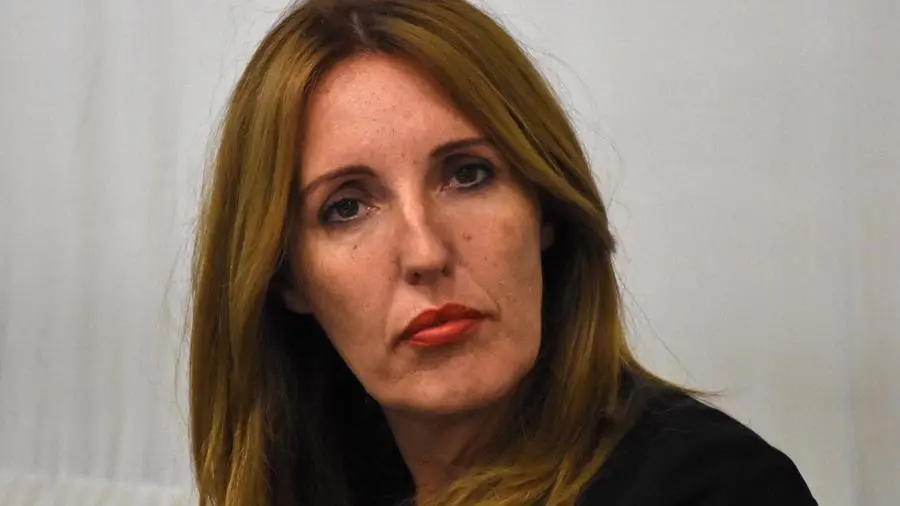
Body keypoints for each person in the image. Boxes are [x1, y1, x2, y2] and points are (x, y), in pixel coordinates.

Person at [188, 0, 818, 505]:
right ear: (285, 277)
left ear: (546, 208)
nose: (425, 252)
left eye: (468, 175)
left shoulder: (717, 488)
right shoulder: (324, 484)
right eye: (346, 207)